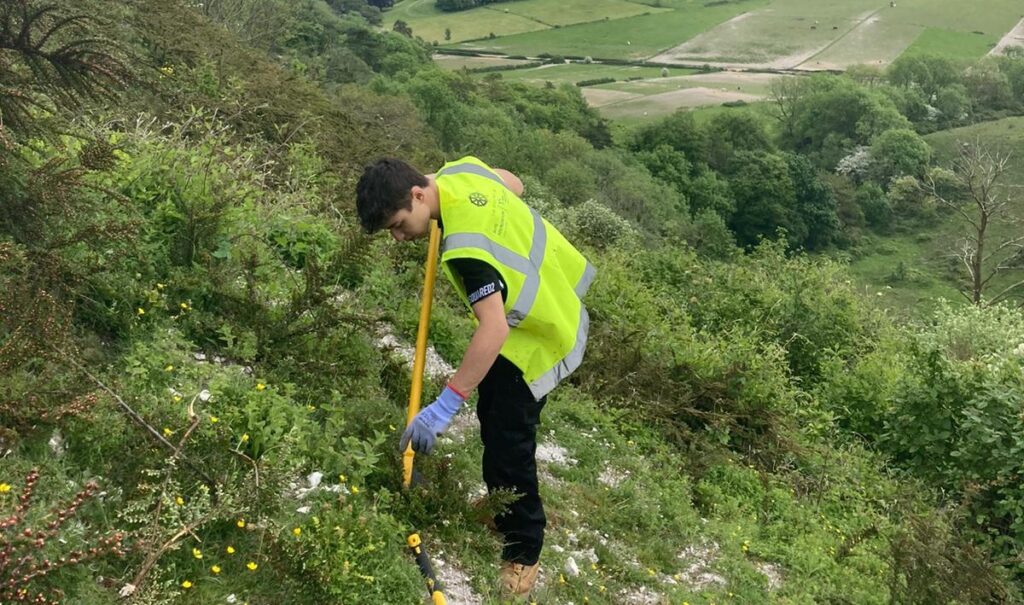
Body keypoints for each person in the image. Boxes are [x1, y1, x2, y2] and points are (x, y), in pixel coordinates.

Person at [355, 156, 595, 597]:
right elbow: (515, 184)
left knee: (509, 437)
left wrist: (446, 404)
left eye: (397, 224)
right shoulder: (461, 172)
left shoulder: (466, 249)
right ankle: (501, 501)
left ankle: (524, 550)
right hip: (547, 297)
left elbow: (495, 328)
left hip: (536, 334)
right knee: (494, 413)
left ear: (417, 195)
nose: (397, 237)